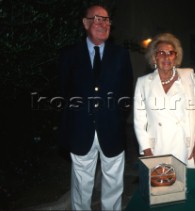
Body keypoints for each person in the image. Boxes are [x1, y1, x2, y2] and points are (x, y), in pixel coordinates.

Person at [58, 4, 133, 210]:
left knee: (113, 183)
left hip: (112, 129)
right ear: (85, 23)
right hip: (81, 130)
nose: (103, 24)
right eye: (97, 19)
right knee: (81, 184)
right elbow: (64, 91)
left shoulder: (120, 55)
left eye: (107, 20)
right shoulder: (69, 55)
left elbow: (126, 92)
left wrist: (117, 116)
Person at [133, 33, 195, 170]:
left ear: (176, 58)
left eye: (170, 53)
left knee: (190, 188)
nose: (166, 57)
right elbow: (140, 122)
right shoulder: (143, 83)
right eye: (161, 53)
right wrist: (147, 151)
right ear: (154, 57)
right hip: (159, 148)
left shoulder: (189, 77)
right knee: (165, 189)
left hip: (188, 146)